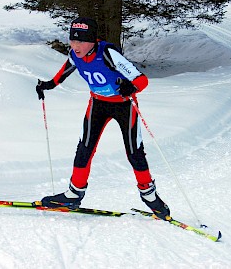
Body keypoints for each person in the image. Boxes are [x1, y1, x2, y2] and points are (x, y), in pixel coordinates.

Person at [36, 17, 170, 220]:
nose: (75, 45)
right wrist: (48, 85)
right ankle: (73, 194)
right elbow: (64, 72)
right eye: (73, 40)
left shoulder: (107, 53)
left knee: (134, 152)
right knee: (84, 148)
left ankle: (150, 197)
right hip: (98, 104)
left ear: (92, 40)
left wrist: (131, 87)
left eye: (81, 41)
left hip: (124, 105)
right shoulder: (75, 55)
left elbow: (141, 80)